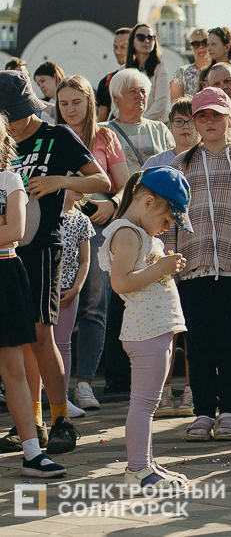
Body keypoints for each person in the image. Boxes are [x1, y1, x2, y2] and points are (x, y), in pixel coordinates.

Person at [0, 69, 112, 455]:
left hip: (44, 246)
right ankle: (30, 423)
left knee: (42, 335)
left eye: (11, 114)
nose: (9, 124)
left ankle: (61, 417)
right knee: (21, 340)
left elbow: (102, 181)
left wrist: (59, 182)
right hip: (7, 254)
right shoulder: (3, 144)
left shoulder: (56, 136)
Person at [165, 87, 231, 442]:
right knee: (198, 344)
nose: (209, 122)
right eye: (202, 116)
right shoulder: (181, 165)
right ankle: (202, 412)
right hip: (191, 269)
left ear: (229, 118)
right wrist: (168, 269)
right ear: (194, 122)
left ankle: (230, 411)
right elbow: (168, 221)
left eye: (216, 115)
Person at [98, 167, 191, 490]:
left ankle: (146, 463)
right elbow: (121, 282)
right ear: (148, 203)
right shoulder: (127, 233)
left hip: (155, 330)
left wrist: (162, 266)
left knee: (147, 404)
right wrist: (162, 267)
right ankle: (137, 469)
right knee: (144, 403)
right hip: (145, 332)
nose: (166, 229)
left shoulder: (141, 234)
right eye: (167, 221)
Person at [98, 69, 176, 396]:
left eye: (143, 91)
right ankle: (117, 375)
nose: (140, 97)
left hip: (158, 222)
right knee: (121, 296)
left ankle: (158, 373)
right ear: (115, 96)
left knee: (156, 291)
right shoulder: (104, 131)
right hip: (124, 223)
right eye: (132, 91)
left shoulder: (160, 130)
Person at [55, 75, 131, 411]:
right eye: (63, 103)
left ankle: (84, 383)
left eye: (76, 102)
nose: (70, 109)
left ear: (89, 102)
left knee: (94, 305)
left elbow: (127, 185)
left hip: (98, 226)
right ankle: (53, 383)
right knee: (54, 305)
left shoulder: (105, 136)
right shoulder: (52, 135)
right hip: (57, 227)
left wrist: (112, 204)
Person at [0, 112, 67, 478]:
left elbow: (15, 230)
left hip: (5, 274)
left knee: (13, 369)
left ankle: (31, 452)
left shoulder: (11, 179)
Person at [141, 98, 200, 418]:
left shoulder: (206, 158)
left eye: (192, 120)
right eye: (179, 121)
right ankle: (162, 392)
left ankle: (191, 391)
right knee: (166, 324)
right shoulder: (155, 163)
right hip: (160, 251)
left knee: (191, 324)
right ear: (169, 126)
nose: (186, 127)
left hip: (196, 249)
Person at [55, 191, 94, 418]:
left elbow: (85, 260)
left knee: (63, 344)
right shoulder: (43, 211)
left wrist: (76, 289)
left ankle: (63, 399)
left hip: (68, 291)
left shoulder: (81, 220)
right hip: (43, 288)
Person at [125, 24, 171, 123]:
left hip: (155, 126)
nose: (146, 41)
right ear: (132, 42)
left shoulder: (160, 68)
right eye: (141, 37)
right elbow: (118, 100)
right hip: (128, 125)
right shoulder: (123, 70)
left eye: (150, 37)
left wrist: (140, 120)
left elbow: (160, 103)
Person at [95, 28, 131, 122]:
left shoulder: (149, 77)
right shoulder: (107, 81)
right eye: (115, 47)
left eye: (123, 47)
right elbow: (102, 121)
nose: (118, 51)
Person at [170, 27, 212, 100]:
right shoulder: (182, 73)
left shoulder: (218, 70)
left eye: (205, 43)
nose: (201, 47)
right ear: (191, 46)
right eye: (196, 44)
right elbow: (176, 105)